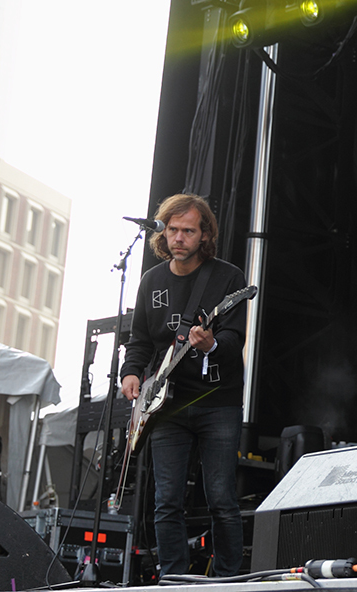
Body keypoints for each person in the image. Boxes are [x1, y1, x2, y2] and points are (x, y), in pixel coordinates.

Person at [120, 194, 248, 578]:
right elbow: (140, 339)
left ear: (204, 234)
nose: (178, 238)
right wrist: (131, 372)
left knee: (221, 498)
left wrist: (211, 344)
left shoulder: (228, 278)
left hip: (217, 401)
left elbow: (234, 338)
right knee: (166, 501)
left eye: (188, 231)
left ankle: (228, 580)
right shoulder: (151, 280)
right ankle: (174, 579)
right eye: (173, 229)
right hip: (165, 405)